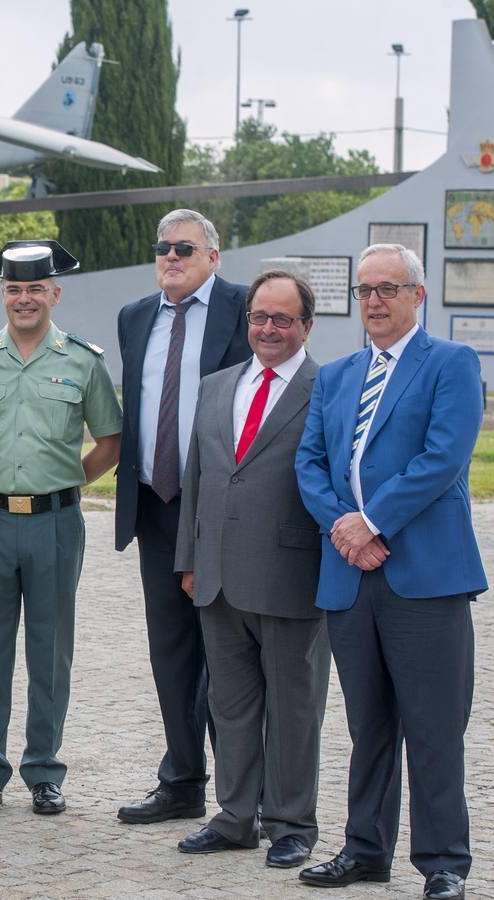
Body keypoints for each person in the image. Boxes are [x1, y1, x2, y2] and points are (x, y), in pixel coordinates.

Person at [296, 244, 484, 900]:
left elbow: (443, 458)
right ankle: (365, 849)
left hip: (424, 576)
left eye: (387, 288)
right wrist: (344, 531)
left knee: (433, 727)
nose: (373, 301)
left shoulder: (451, 364)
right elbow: (310, 464)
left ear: (417, 295)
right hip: (350, 576)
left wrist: (370, 522)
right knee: (368, 726)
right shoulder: (339, 374)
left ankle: (443, 864)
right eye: (364, 290)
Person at [173, 270, 329, 868]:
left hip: (293, 574)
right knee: (230, 707)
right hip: (215, 578)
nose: (268, 328)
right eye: (260, 317)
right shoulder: (217, 386)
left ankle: (291, 824)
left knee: (294, 708)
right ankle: (236, 817)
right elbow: (199, 479)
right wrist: (188, 557)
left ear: (306, 326)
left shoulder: (329, 386)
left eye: (282, 319)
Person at [0, 241, 121, 817]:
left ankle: (44, 770)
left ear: (54, 293)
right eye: (14, 289)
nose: (24, 298)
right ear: (1, 294)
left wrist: (66, 482)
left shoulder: (82, 361)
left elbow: (110, 440)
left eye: (35, 289)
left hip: (56, 523)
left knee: (51, 652)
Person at [114, 208, 252, 825]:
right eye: (163, 246)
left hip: (223, 510)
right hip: (157, 504)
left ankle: (243, 793)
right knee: (170, 651)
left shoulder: (247, 309)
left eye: (186, 248)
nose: (171, 256)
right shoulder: (135, 317)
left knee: (227, 653)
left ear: (214, 258)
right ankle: (181, 781)